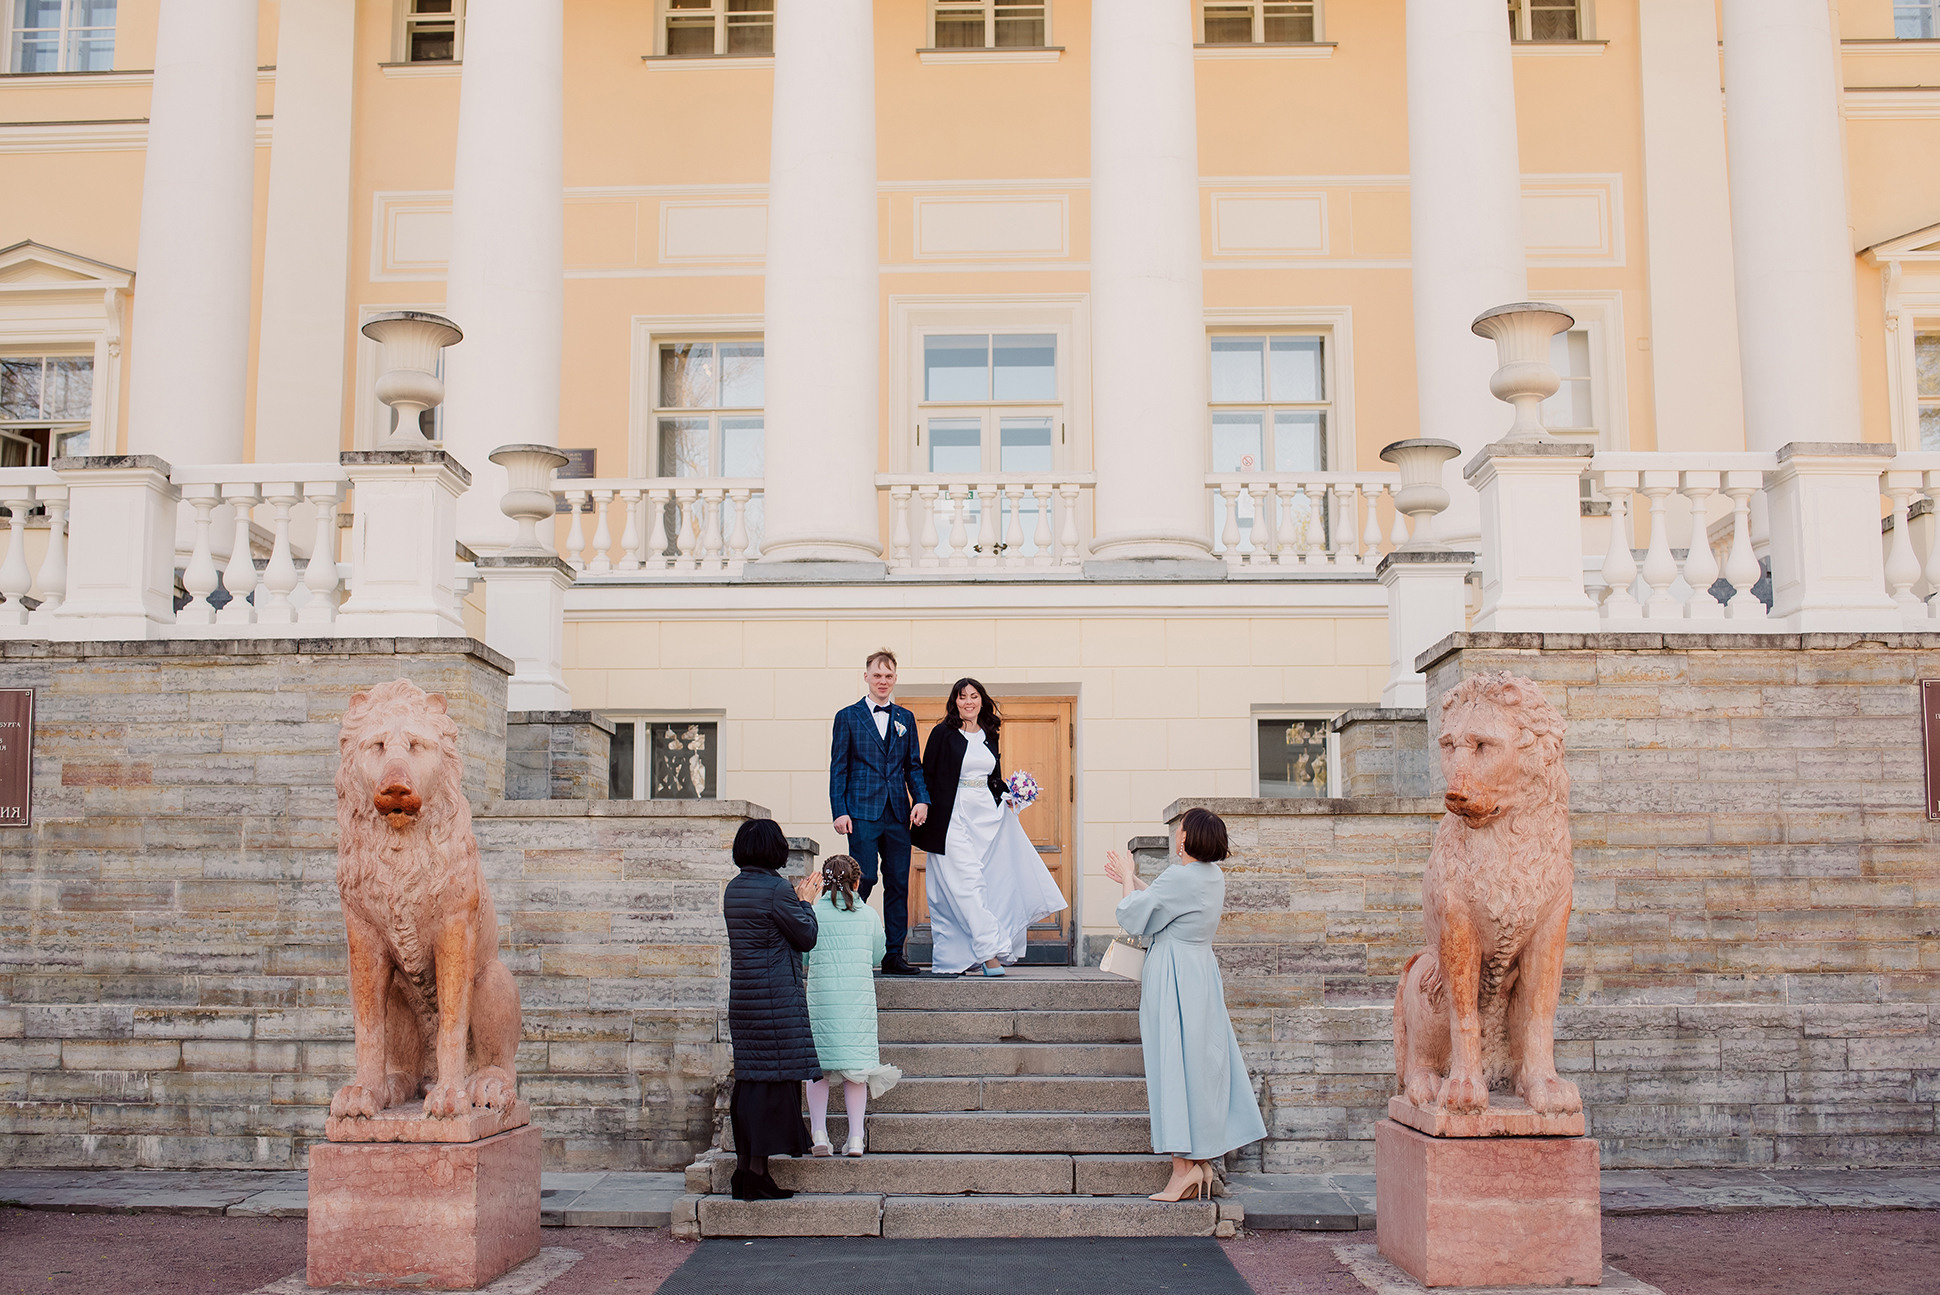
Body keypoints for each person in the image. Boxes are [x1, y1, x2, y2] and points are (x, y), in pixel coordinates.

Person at [1104, 807, 1266, 1202]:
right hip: (1200, 974)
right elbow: (1168, 904)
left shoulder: (1180, 877)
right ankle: (1201, 1162)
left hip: (1172, 975)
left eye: (1181, 830)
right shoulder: (1212, 877)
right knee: (1199, 1066)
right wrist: (1139, 882)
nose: (1177, 835)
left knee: (1171, 1065)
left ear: (1188, 838)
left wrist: (1127, 877)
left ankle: (1182, 1171)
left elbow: (1133, 916)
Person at [911, 678, 1066, 977]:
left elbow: (992, 776)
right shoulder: (942, 733)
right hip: (951, 816)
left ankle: (969, 954)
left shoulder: (989, 733)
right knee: (967, 883)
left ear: (982, 699)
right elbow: (926, 773)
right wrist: (922, 803)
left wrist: (1010, 793)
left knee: (990, 883)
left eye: (973, 696)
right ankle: (988, 952)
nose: (968, 701)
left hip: (987, 816)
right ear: (954, 701)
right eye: (962, 696)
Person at [722, 818, 823, 1201]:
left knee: (751, 1082)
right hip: (775, 1000)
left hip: (745, 999)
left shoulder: (734, 889)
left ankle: (746, 1172)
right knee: (772, 1084)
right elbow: (806, 936)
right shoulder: (778, 889)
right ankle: (757, 1176)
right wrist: (805, 903)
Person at [828, 648, 930, 975]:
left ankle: (893, 955)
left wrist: (922, 800)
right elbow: (838, 768)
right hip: (860, 810)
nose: (882, 681)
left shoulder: (905, 719)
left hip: (898, 812)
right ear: (866, 677)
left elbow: (913, 766)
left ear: (895, 678)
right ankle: (847, 941)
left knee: (899, 882)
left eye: (888, 676)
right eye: (877, 675)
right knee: (865, 876)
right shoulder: (847, 717)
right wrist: (839, 810)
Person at [801, 854, 902, 1157]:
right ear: (857, 882)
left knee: (817, 1068)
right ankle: (855, 1137)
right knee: (856, 1069)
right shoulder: (869, 915)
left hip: (822, 1000)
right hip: (856, 1001)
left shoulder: (813, 913)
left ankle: (819, 1133)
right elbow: (876, 957)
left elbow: (804, 956)